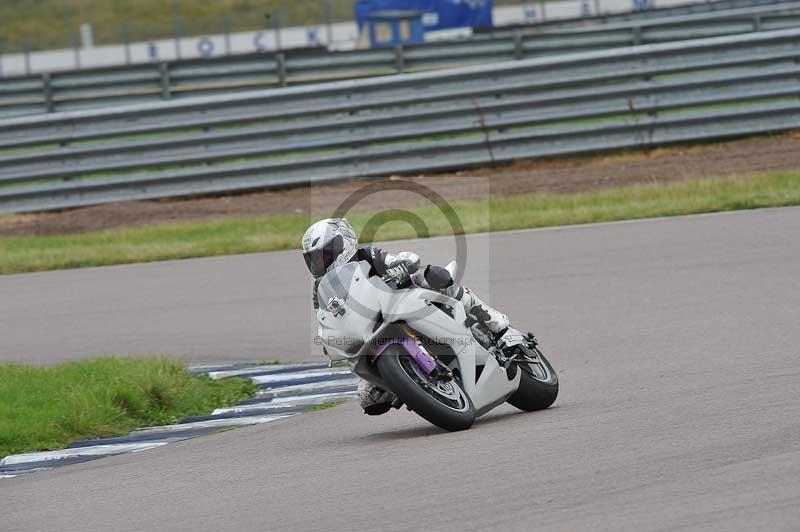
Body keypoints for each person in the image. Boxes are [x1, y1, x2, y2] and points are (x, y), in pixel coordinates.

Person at [302, 218, 530, 415]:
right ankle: (414, 384)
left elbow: (395, 260)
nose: (320, 262)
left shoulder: (367, 255)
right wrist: (329, 339)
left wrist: (402, 263)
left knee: (437, 277)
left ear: (344, 243)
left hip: (402, 299)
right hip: (370, 334)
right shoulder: (320, 290)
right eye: (313, 258)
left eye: (325, 254)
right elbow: (325, 319)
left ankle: (498, 327)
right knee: (367, 396)